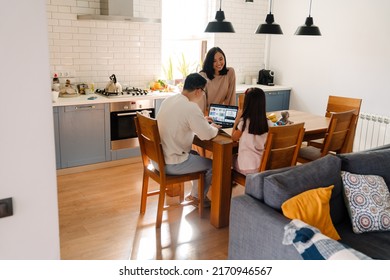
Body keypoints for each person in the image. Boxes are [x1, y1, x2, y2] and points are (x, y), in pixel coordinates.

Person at [156, 73, 220, 207]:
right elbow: (207, 135)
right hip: (172, 164)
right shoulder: (191, 108)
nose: (203, 95)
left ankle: (195, 195)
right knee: (213, 165)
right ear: (198, 91)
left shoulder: (169, 100)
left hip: (157, 160)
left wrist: (201, 121)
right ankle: (199, 198)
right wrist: (214, 127)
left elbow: (181, 121)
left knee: (196, 155)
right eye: (203, 92)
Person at [231, 87, 273, 175]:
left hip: (246, 167)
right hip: (262, 165)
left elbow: (233, 138)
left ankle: (228, 185)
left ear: (247, 103)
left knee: (228, 158)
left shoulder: (244, 122)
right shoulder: (268, 123)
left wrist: (237, 119)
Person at [198, 47, 236, 113]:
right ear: (209, 62)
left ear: (224, 58)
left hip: (223, 113)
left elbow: (231, 98)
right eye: (214, 61)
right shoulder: (203, 75)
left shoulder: (230, 72)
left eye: (221, 59)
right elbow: (201, 103)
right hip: (207, 114)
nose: (218, 63)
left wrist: (230, 117)